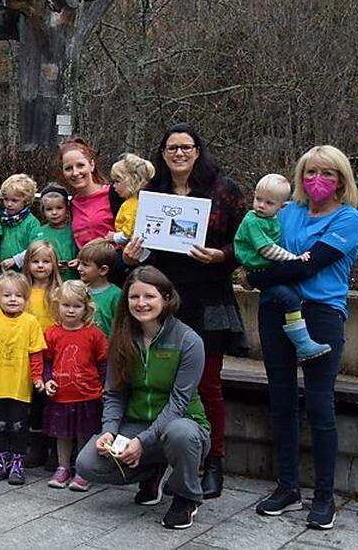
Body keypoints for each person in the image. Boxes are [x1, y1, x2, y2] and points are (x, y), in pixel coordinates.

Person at [122, 123, 247, 499]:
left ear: (198, 150)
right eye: (171, 148)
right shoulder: (152, 192)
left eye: (186, 147)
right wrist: (131, 256)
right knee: (155, 381)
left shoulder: (224, 190)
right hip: (162, 301)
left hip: (208, 298)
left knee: (207, 385)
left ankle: (213, 463)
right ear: (162, 154)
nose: (179, 153)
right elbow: (146, 250)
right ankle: (155, 463)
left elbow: (248, 243)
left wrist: (221, 255)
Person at [247, 146, 358, 530]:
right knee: (280, 400)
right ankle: (287, 487)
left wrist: (257, 279)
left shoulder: (349, 219)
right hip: (276, 310)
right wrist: (256, 272)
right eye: (311, 172)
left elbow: (309, 265)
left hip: (322, 314)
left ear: (341, 180)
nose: (318, 180)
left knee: (319, 405)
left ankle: (324, 496)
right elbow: (256, 247)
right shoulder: (287, 211)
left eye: (328, 174)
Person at [74, 266, 211, 531]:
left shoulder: (188, 340)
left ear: (166, 298)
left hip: (183, 425)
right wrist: (109, 432)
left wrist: (141, 442)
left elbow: (179, 403)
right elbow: (114, 393)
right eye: (134, 297)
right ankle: (153, 471)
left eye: (149, 296)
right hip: (136, 424)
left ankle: (186, 497)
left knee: (180, 433)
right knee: (87, 463)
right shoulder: (123, 337)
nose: (141, 303)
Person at [235, 174, 328, 360]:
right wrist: (295, 259)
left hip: (267, 270)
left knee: (285, 298)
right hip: (258, 269)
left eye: (269, 203)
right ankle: (303, 343)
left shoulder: (273, 219)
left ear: (281, 207)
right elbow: (267, 249)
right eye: (258, 199)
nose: (261, 205)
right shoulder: (253, 220)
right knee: (291, 298)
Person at [0, 271, 46, 485]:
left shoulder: (30, 322)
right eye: (7, 295)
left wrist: (37, 376)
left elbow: (36, 352)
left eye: (18, 296)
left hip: (19, 386)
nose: (13, 299)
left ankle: (17, 461)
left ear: (26, 298)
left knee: (18, 425)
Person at [42, 281, 107, 491]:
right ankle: (63, 467)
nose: (70, 310)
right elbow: (46, 360)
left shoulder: (94, 334)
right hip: (60, 395)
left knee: (84, 433)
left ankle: (83, 469)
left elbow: (103, 362)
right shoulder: (51, 333)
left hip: (87, 395)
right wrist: (46, 380)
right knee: (63, 434)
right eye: (66, 305)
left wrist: (106, 387)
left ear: (86, 308)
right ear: (57, 305)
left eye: (76, 306)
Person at [20, 239, 63, 470]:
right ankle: (36, 447)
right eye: (35, 261)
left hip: (53, 355)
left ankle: (55, 448)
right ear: (27, 264)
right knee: (34, 402)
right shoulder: (23, 291)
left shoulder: (58, 292)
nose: (40, 266)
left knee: (51, 401)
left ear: (54, 264)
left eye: (46, 261)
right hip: (27, 354)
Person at [59, 136, 119, 248]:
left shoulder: (114, 194)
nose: (75, 173)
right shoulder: (72, 205)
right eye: (68, 168)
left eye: (80, 165)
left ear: (92, 165)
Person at [31, 184, 79, 280]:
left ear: (67, 208)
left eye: (59, 208)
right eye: (49, 209)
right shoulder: (40, 232)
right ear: (43, 211)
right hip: (48, 282)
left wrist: (78, 261)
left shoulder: (75, 229)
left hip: (72, 282)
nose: (54, 213)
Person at [77, 239, 122, 337]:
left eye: (85, 265)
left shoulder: (116, 295)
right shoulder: (79, 290)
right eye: (79, 263)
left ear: (103, 270)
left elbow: (120, 328)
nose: (79, 268)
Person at [0, 174, 40, 271]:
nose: (9, 204)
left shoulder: (32, 223)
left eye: (14, 200)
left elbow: (35, 248)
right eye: (6, 199)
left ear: (26, 201)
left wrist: (15, 260)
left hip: (22, 271)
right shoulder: (1, 218)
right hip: (1, 269)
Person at [110, 153, 155, 245]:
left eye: (117, 181)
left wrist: (113, 237)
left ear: (132, 181)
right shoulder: (139, 201)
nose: (114, 186)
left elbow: (129, 233)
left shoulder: (132, 204)